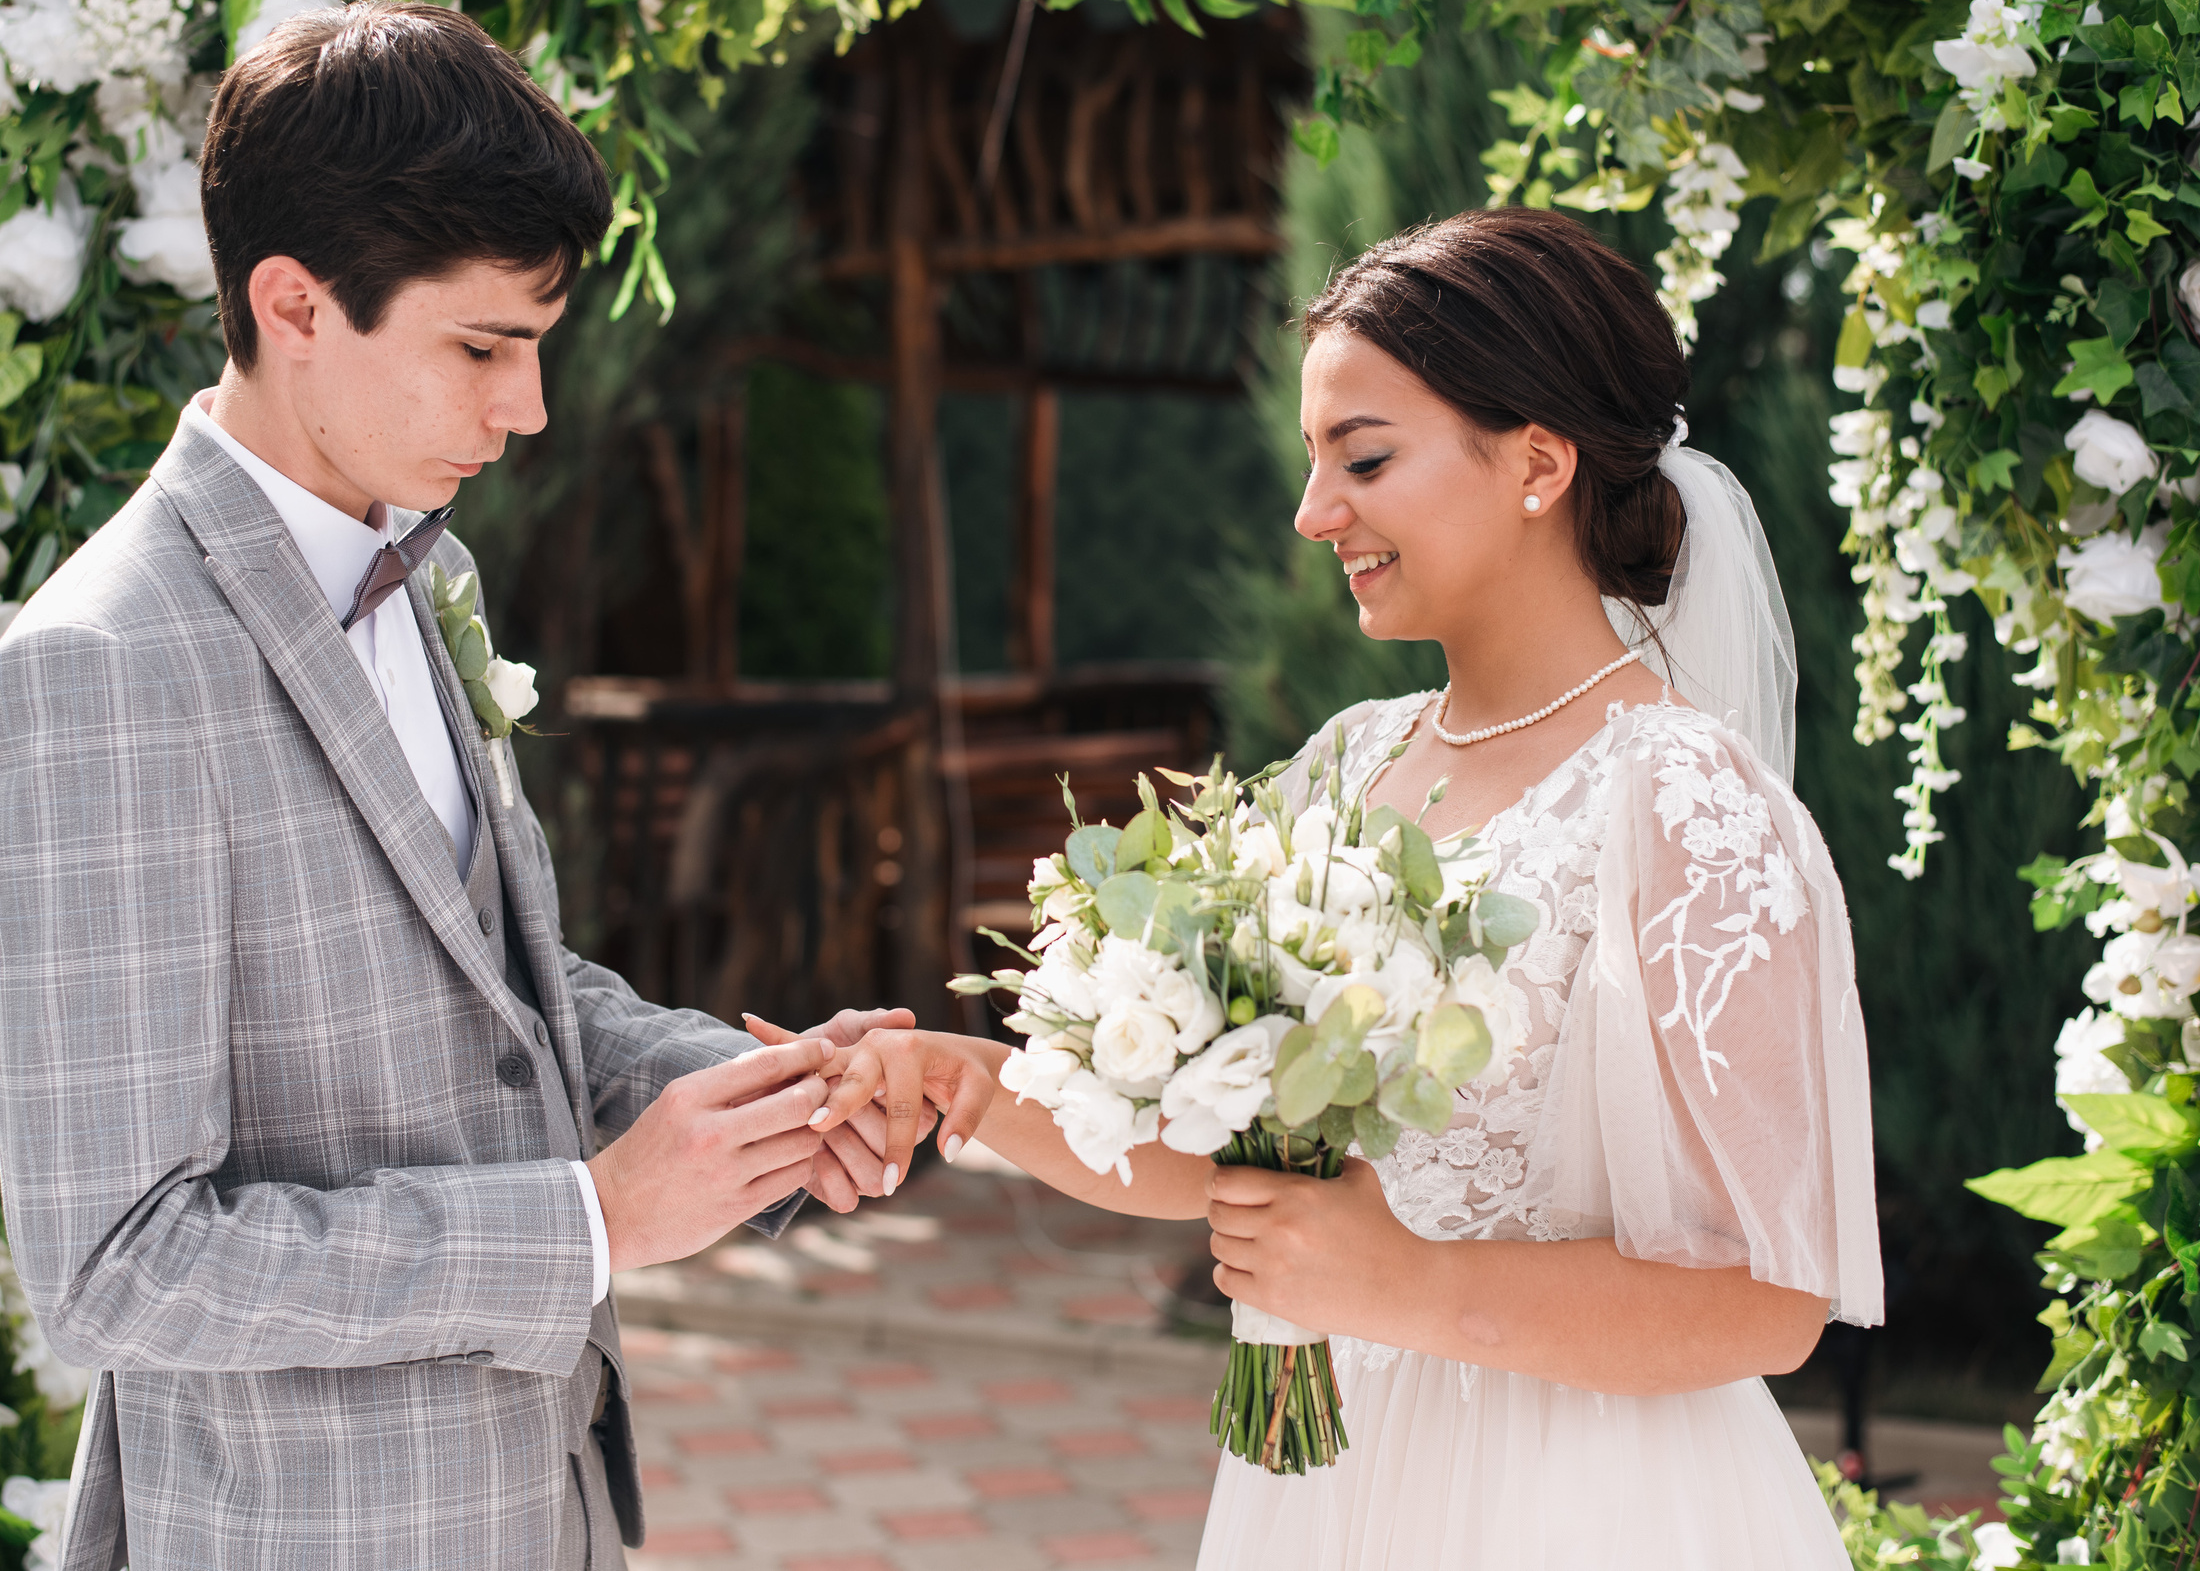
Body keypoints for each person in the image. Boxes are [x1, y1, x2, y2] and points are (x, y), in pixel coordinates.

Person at [0, 1, 910, 1571]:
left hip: (546, 1512)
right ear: (295, 304)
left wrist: (765, 1102)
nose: (528, 408)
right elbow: (116, 1264)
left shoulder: (425, 571)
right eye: (482, 347)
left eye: (535, 347)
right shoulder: (102, 666)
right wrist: (593, 1220)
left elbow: (490, 993)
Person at [792, 206, 1881, 1569]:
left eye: (1362, 458)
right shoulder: (1349, 766)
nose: (1314, 513)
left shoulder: (1686, 802)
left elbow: (1769, 1300)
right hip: (1334, 1480)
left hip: (1588, 1497)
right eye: (1315, 463)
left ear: (1539, 461)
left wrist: (1412, 1284)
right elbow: (1238, 1157)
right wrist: (973, 1084)